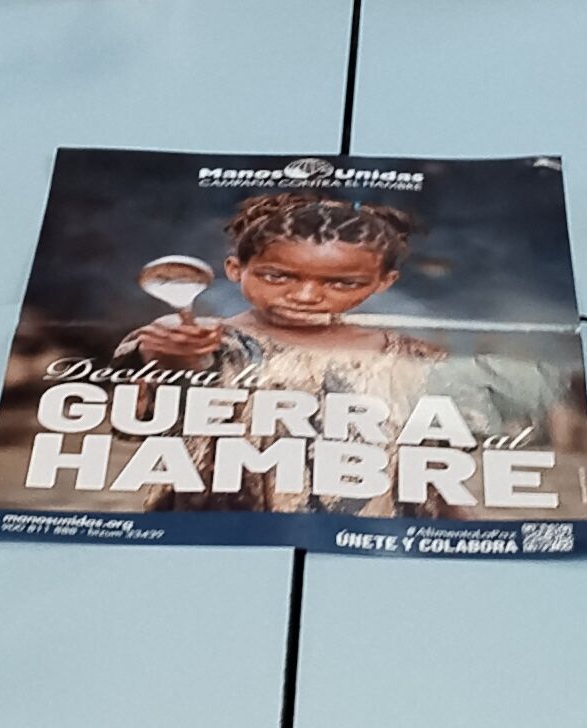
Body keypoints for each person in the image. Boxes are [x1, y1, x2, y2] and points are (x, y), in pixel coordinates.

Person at [124, 187, 562, 515]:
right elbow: (150, 401)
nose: (307, 295)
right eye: (278, 276)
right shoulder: (206, 340)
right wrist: (172, 357)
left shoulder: (409, 357)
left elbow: (431, 469)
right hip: (222, 529)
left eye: (341, 284)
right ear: (236, 269)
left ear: (382, 283)